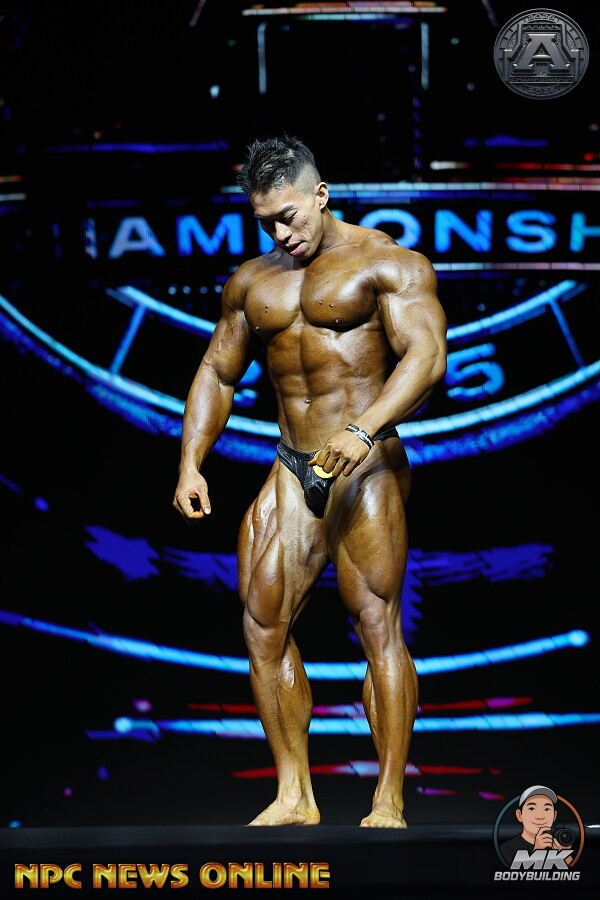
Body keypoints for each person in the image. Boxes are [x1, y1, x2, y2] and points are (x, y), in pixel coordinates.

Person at [173, 136, 447, 827]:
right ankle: (295, 794)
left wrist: (364, 429)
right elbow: (217, 372)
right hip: (293, 465)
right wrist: (191, 462)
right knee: (262, 624)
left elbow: (426, 357)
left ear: (321, 195)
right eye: (266, 221)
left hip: (367, 463)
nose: (281, 233)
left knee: (376, 624)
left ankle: (388, 799)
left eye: (290, 216)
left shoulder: (388, 263)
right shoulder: (252, 282)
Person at [500, 785, 574, 866]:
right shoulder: (507, 849)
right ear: (519, 815)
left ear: (554, 816)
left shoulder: (560, 842)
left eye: (547, 809)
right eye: (532, 808)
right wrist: (537, 851)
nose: (540, 816)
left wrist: (565, 854)